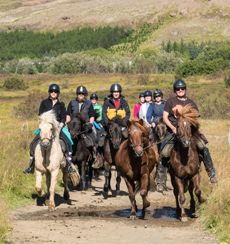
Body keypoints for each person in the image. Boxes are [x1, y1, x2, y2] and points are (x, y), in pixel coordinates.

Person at [155, 79, 218, 193]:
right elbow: (165, 117)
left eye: (182, 88)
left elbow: (196, 116)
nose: (180, 90)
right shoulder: (170, 101)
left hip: (189, 132)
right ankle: (161, 181)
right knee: (164, 152)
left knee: (203, 147)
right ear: (175, 90)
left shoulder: (191, 102)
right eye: (178, 89)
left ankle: (211, 173)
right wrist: (173, 128)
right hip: (173, 131)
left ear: (185, 89)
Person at [23, 84, 76, 175]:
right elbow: (40, 115)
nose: (53, 93)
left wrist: (60, 127)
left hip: (58, 126)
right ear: (49, 93)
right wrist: (44, 125)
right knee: (33, 143)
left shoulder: (61, 104)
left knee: (68, 142)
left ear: (58, 93)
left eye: (55, 92)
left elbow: (63, 117)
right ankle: (31, 165)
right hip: (46, 127)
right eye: (51, 92)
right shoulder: (44, 103)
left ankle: (69, 164)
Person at [66, 85, 97, 160]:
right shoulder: (72, 103)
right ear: (77, 95)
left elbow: (92, 115)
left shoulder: (89, 104)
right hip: (74, 127)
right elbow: (68, 114)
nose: (81, 95)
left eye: (82, 94)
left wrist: (91, 124)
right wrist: (68, 123)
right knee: (66, 141)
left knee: (94, 139)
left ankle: (95, 156)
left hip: (85, 127)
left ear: (85, 95)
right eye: (79, 94)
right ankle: (66, 159)